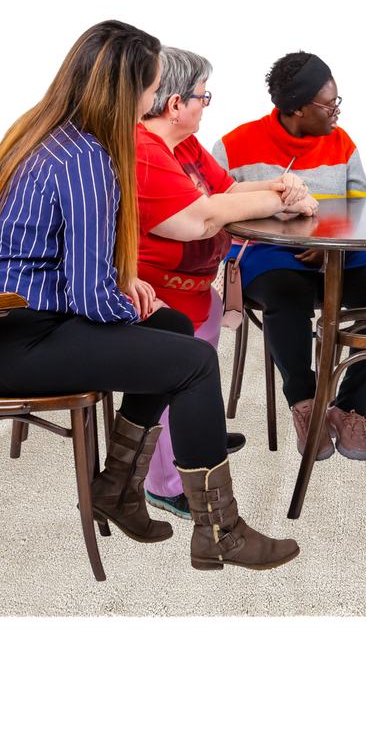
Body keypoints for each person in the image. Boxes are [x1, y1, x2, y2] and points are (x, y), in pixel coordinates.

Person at [0, 18, 301, 572]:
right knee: (193, 362)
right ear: (128, 89)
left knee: (174, 330)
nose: (156, 98)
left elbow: (63, 262)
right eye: (151, 86)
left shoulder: (45, 132)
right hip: (15, 342)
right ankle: (221, 530)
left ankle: (118, 486)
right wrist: (124, 294)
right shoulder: (89, 157)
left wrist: (125, 286)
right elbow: (92, 298)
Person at [135, 43, 317, 518]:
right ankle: (163, 483)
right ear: (176, 105)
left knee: (194, 382)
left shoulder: (188, 144)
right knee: (171, 386)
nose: (208, 103)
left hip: (198, 291)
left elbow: (230, 190)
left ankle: (199, 439)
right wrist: (280, 200)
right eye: (204, 96)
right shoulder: (146, 151)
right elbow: (204, 216)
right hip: (158, 299)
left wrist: (283, 186)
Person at [209, 47, 366, 463]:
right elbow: (212, 208)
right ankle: (305, 402)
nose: (338, 113)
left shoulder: (344, 139)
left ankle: (351, 408)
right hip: (266, 252)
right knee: (286, 296)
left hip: (343, 251)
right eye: (330, 104)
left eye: (339, 101)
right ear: (296, 109)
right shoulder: (233, 143)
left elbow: (363, 205)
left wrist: (331, 241)